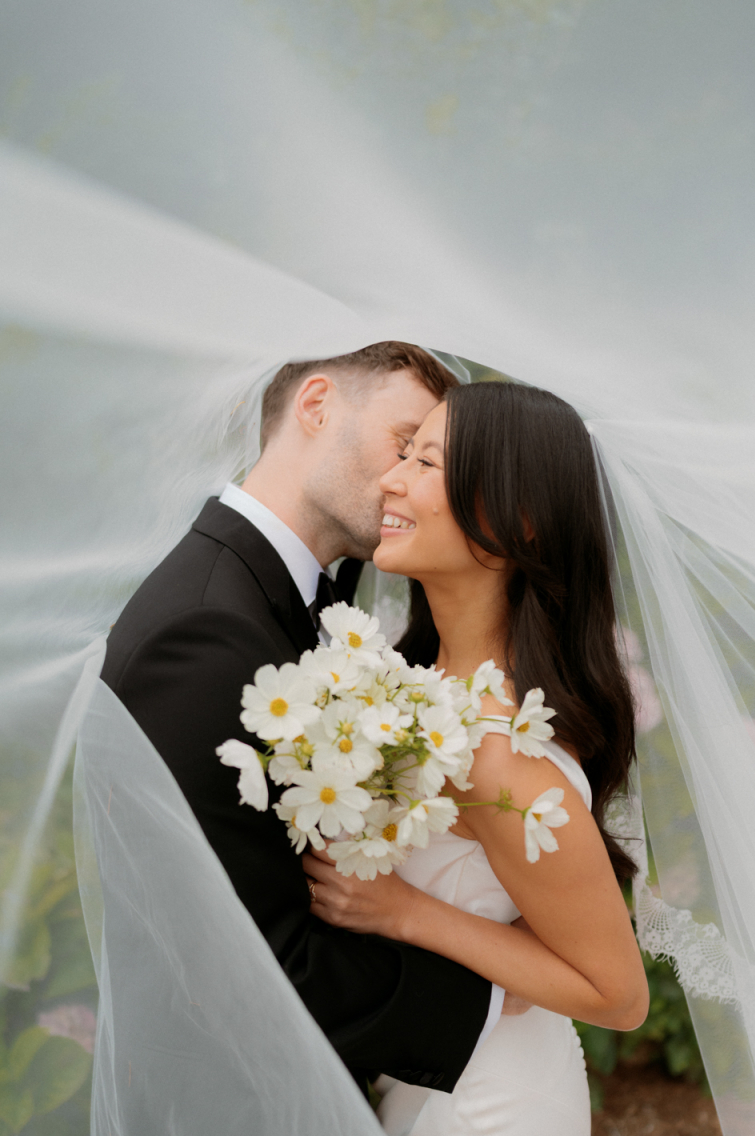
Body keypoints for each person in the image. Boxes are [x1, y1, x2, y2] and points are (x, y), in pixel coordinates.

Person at [99, 342, 507, 1099]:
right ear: (316, 405)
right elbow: (249, 958)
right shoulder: (202, 630)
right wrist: (505, 997)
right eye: (404, 445)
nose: (407, 482)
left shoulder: (304, 601)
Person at [302, 381, 651, 1135]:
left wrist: (406, 914)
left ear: (515, 523)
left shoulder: (502, 752)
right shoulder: (421, 687)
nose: (392, 479)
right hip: (433, 1068)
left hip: (494, 1102)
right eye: (404, 454)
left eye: (426, 463)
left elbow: (619, 994)